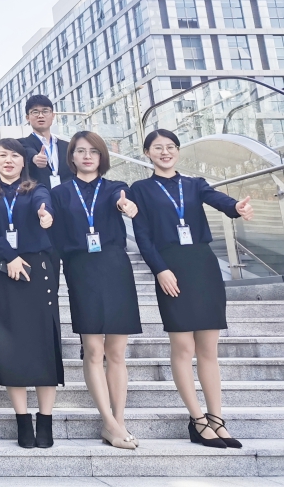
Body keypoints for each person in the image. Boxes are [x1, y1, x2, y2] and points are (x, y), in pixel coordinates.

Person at [131, 129, 254, 449]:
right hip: (170, 266)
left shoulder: (195, 184)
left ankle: (217, 419)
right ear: (147, 153)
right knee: (184, 348)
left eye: (170, 147)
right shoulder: (140, 189)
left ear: (178, 150)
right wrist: (160, 270)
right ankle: (198, 420)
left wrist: (237, 207)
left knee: (209, 350)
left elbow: (220, 201)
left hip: (203, 265)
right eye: (158, 147)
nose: (165, 152)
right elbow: (142, 234)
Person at [49, 131, 143, 450]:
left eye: (94, 151)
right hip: (81, 268)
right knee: (92, 348)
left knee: (116, 351)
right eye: (80, 151)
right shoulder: (60, 193)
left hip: (115, 266)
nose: (87, 156)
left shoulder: (115, 187)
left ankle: (119, 420)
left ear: (102, 156)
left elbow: (122, 199)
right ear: (71, 157)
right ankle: (108, 422)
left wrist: (125, 205)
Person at [0, 138, 61, 449]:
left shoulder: (36, 189)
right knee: (11, 348)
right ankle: (23, 420)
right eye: (2, 155)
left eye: (14, 155)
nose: (8, 160)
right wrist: (9, 256)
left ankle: (45, 420)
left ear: (23, 162)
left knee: (43, 346)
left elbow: (44, 204)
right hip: (2, 272)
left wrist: (45, 214)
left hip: (37, 273)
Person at [18, 95, 72, 191]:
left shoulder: (68, 146)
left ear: (53, 115)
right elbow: (27, 151)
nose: (40, 115)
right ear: (27, 117)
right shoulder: (20, 144)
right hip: (38, 197)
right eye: (35, 112)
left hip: (66, 197)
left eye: (45, 111)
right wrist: (34, 158)